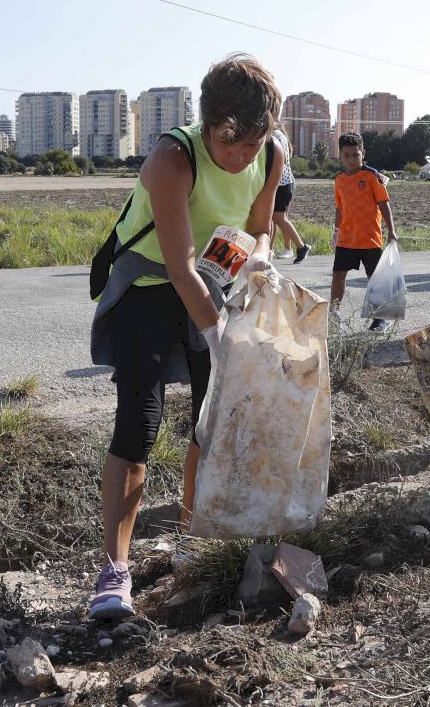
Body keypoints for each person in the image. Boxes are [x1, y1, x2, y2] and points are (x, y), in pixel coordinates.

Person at [89, 54, 285, 620]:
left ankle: (192, 540)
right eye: (229, 144)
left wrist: (260, 258)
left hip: (214, 280)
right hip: (150, 284)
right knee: (139, 420)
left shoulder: (271, 154)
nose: (240, 157)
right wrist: (216, 336)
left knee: (213, 416)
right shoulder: (173, 157)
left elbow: (260, 227)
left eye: (251, 145)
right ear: (208, 123)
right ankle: (114, 570)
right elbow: (179, 266)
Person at [331, 132, 399, 333]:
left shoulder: (371, 176)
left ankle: (381, 318)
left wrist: (391, 230)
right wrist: (336, 231)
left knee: (374, 278)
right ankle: (334, 313)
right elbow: (339, 208)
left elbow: (384, 204)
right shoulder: (339, 179)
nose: (351, 159)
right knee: (338, 275)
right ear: (340, 156)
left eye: (355, 154)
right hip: (346, 237)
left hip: (370, 238)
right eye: (346, 155)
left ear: (363, 153)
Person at [270, 128, 310, 263]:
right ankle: (270, 250)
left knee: (278, 217)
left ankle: (301, 246)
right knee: (274, 218)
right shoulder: (277, 134)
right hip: (281, 182)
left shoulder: (274, 136)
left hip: (282, 183)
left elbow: (279, 161)